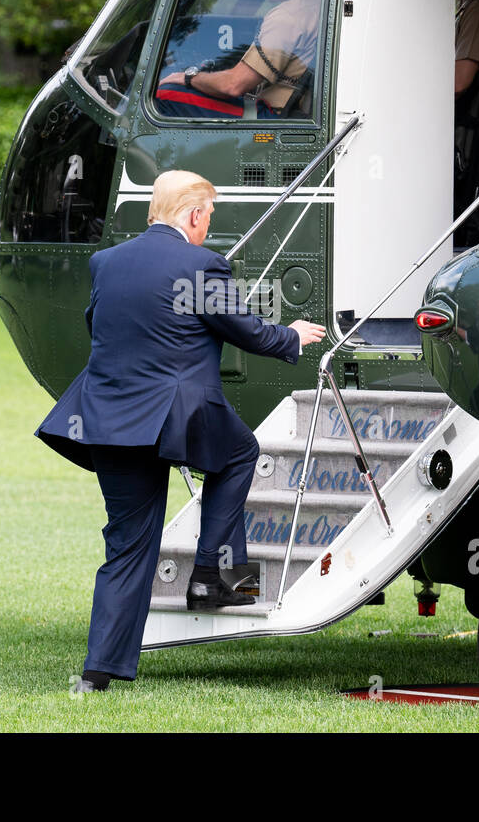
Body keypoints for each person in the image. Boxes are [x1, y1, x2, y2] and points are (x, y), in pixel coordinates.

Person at [35, 170, 326, 692]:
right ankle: (212, 576)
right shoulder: (202, 264)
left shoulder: (107, 262)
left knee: (127, 545)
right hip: (179, 414)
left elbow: (97, 325)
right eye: (208, 217)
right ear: (193, 215)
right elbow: (243, 328)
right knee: (239, 455)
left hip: (111, 420)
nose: (208, 228)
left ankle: (96, 675)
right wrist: (293, 336)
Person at [156, 0, 321, 119]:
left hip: (268, 116)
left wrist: (187, 77)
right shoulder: (314, 1)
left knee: (166, 93)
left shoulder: (286, 18)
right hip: (287, 108)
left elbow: (234, 85)